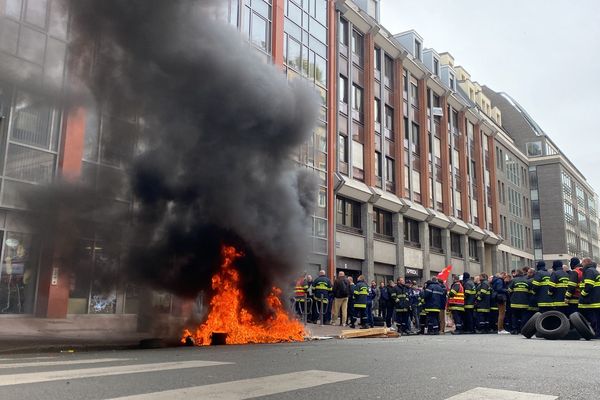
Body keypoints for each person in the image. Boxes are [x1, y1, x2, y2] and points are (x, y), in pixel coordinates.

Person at [578, 258, 600, 337]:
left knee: (593, 317)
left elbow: (589, 285)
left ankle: (595, 333)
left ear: (586, 262)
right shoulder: (594, 271)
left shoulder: (589, 271)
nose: (582, 264)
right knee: (597, 317)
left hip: (591, 300)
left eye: (582, 263)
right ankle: (597, 333)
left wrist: (583, 294)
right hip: (595, 299)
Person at [507, 269, 531, 334]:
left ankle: (515, 330)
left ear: (517, 273)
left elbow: (509, 291)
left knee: (515, 316)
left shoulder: (513, 280)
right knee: (524, 316)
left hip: (515, 302)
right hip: (524, 302)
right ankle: (523, 329)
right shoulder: (527, 281)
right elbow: (530, 292)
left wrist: (512, 297)